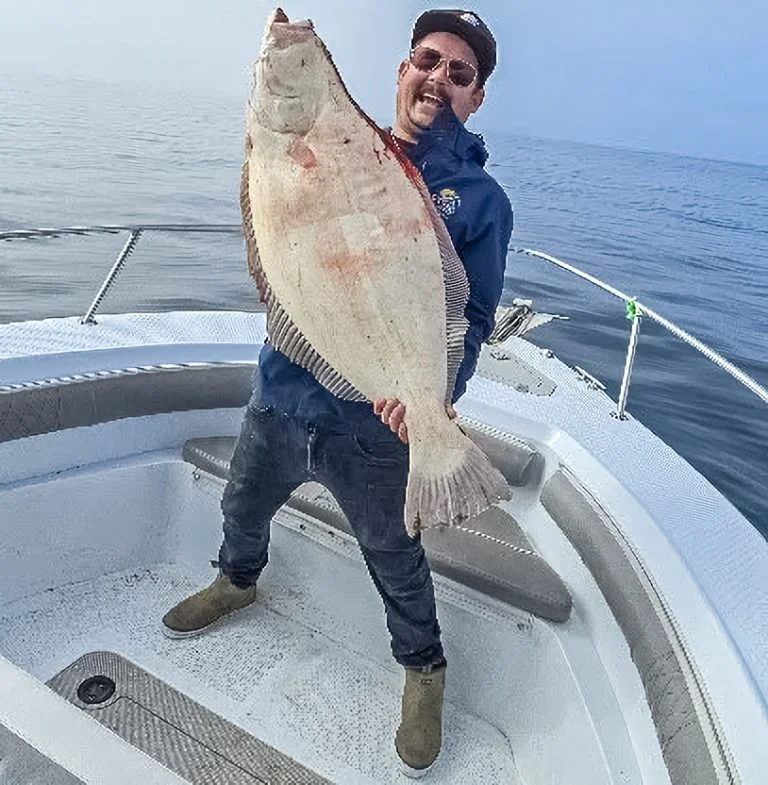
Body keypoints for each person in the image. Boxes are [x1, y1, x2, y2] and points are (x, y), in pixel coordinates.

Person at [162, 8, 513, 778]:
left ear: (475, 97)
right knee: (242, 502)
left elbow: (473, 315)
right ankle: (236, 579)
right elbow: (274, 236)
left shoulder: (481, 202)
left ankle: (424, 666)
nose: (439, 78)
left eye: (462, 73)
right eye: (428, 59)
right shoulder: (342, 140)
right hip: (285, 383)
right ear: (401, 70)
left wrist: (431, 395)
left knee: (395, 555)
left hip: (378, 428)